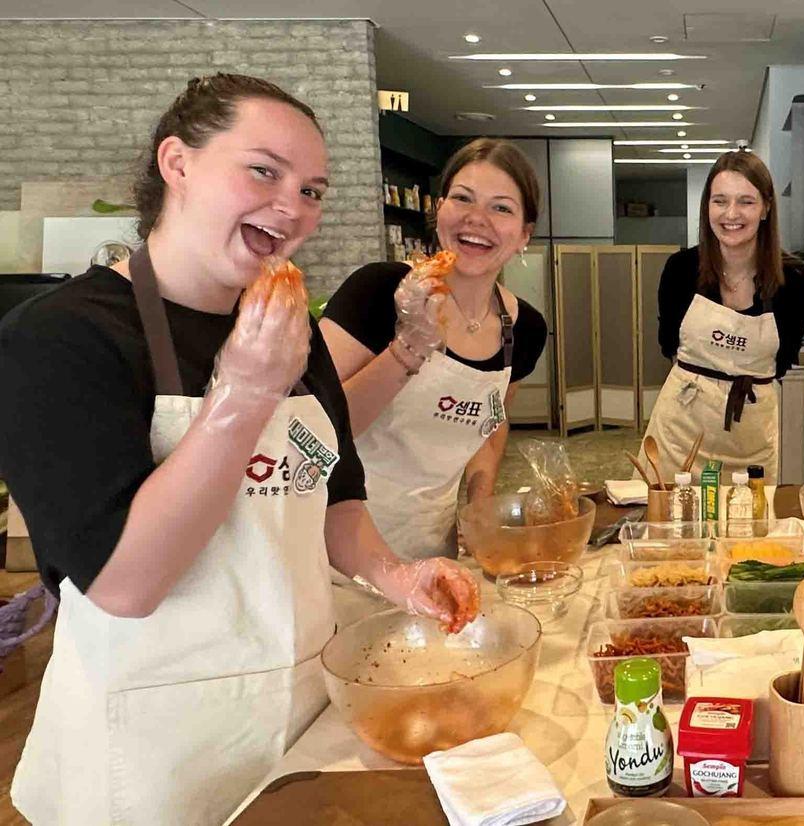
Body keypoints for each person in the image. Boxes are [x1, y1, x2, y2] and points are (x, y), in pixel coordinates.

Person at [0, 75, 480, 825]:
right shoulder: (60, 338)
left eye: (312, 190)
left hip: (299, 718)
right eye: (263, 171)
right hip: (152, 753)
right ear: (177, 163)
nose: (293, 206)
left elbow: (334, 497)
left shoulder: (288, 323)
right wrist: (245, 393)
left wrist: (395, 573)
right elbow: (125, 585)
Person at [320, 139, 548, 575]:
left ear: (524, 234)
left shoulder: (524, 330)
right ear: (439, 209)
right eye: (462, 198)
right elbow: (311, 428)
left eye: (501, 208)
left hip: (434, 554)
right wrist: (406, 349)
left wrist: (479, 506)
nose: (476, 218)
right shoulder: (377, 293)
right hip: (337, 552)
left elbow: (491, 425)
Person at [641, 151, 804, 482]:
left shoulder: (794, 280)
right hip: (680, 432)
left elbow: (782, 360)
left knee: (750, 513)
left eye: (746, 202)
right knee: (669, 513)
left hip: (750, 437)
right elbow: (669, 345)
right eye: (720, 201)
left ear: (765, 208)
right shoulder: (681, 269)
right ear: (707, 207)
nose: (731, 214)